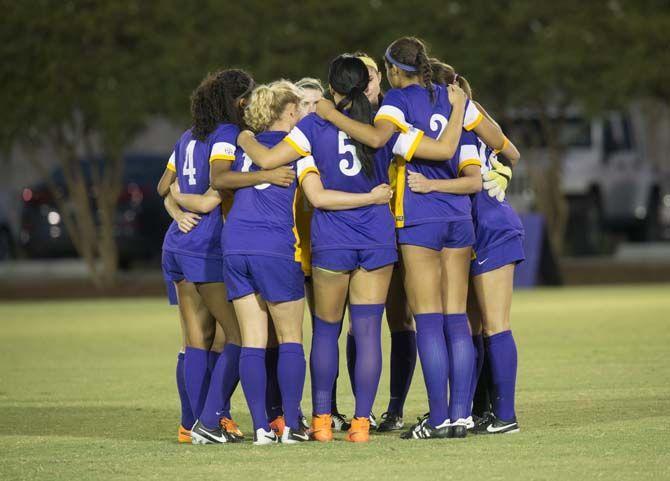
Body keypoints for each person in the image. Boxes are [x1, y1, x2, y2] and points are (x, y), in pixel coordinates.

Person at [237, 54, 465, 442]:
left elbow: (269, 159)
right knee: (369, 332)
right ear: (366, 83)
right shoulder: (385, 123)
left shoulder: (313, 124)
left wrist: (242, 135)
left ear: (331, 87)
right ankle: (361, 424)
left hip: (332, 238)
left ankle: (322, 421)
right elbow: (441, 150)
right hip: (376, 238)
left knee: (326, 332)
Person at [315, 38, 483, 439]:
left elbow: (377, 139)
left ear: (391, 71)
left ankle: (440, 417)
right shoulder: (453, 95)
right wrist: (459, 108)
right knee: (456, 320)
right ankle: (462, 415)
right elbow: (468, 142)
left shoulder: (396, 104)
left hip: (421, 216)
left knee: (427, 322)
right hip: (459, 216)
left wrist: (329, 114)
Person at [215, 80, 309, 445]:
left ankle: (260, 429)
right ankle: (290, 425)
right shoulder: (298, 145)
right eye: (298, 108)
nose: (301, 114)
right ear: (287, 112)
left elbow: (222, 182)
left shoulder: (243, 149)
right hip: (272, 245)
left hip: (235, 244)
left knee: (253, 340)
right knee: (289, 339)